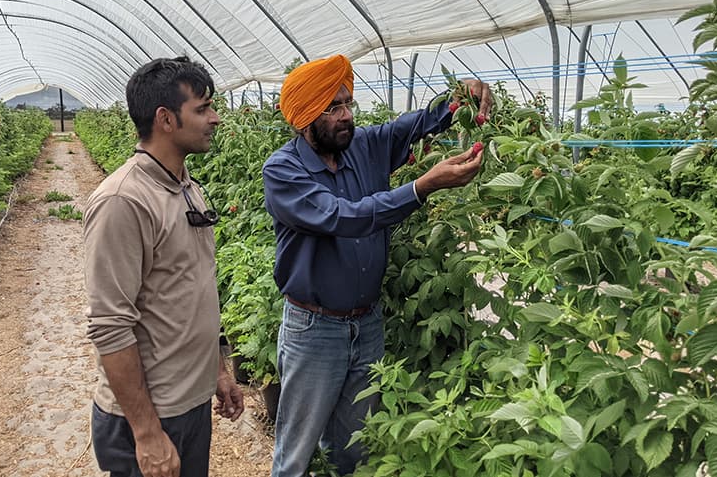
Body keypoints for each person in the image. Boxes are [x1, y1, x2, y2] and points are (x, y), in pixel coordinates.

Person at [262, 54, 490, 476]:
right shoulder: (283, 171)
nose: (347, 116)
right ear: (305, 118)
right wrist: (420, 188)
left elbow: (415, 125)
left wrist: (459, 98)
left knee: (355, 448)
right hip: (314, 331)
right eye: (334, 108)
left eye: (349, 103)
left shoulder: (363, 146)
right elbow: (339, 217)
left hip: (366, 325)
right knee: (295, 454)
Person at [83, 56, 244, 477]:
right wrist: (148, 434)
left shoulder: (187, 187)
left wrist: (218, 371)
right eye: (203, 108)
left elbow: (195, 289)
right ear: (165, 119)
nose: (215, 118)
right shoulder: (123, 201)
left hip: (188, 404)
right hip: (152, 416)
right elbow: (110, 325)